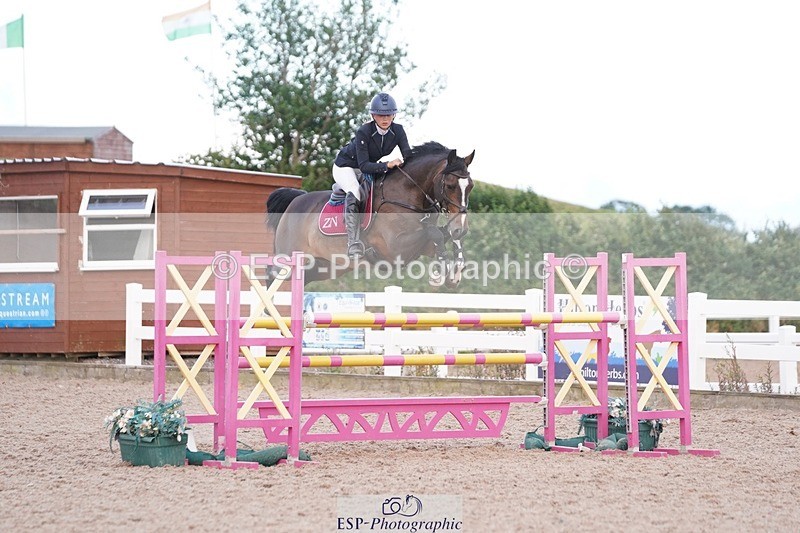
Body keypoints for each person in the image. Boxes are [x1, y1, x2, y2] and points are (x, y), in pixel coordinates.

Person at [333, 92, 412, 257]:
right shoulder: (364, 131)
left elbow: (408, 156)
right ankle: (353, 242)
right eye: (380, 115)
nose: (385, 119)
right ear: (373, 115)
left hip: (369, 167)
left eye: (389, 115)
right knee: (354, 191)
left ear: (394, 115)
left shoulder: (398, 131)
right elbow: (363, 165)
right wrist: (388, 164)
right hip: (346, 167)